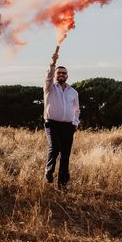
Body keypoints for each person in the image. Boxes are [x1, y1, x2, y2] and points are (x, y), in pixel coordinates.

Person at [43, 50, 80, 190]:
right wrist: (53, 63)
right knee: (55, 146)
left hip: (68, 126)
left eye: (64, 73)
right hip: (52, 124)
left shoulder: (73, 92)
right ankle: (49, 171)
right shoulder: (50, 88)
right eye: (59, 73)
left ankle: (63, 184)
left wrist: (75, 124)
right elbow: (48, 76)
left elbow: (77, 110)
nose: (61, 75)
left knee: (65, 154)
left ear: (67, 75)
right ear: (56, 75)